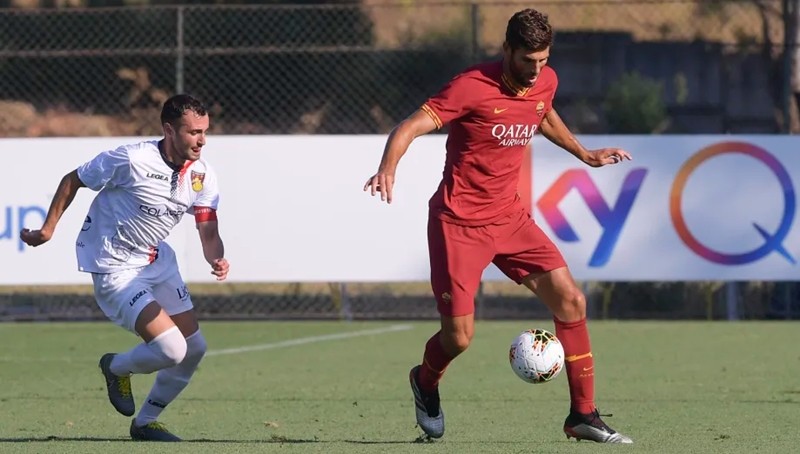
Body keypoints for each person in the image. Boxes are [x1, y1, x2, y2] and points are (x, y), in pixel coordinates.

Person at [363, 8, 632, 444]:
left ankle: (582, 415)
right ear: (506, 49)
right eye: (528, 60)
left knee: (571, 301)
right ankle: (425, 381)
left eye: (543, 60)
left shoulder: (545, 81)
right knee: (459, 338)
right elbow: (410, 126)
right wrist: (387, 167)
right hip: (458, 224)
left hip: (509, 218)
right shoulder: (470, 86)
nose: (536, 70)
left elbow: (543, 113)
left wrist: (584, 154)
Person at [20, 94, 229, 442]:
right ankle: (115, 367)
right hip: (114, 267)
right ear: (169, 131)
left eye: (204, 131)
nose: (202, 140)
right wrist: (47, 229)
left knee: (194, 349)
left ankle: (145, 423)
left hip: (157, 261)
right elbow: (74, 179)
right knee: (172, 349)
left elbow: (208, 230)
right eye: (193, 132)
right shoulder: (132, 159)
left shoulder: (203, 174)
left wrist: (216, 258)